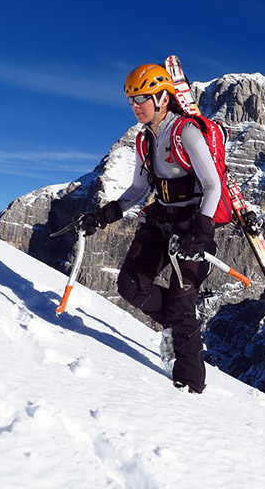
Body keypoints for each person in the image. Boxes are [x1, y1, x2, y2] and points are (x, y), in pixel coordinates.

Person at [79, 63, 220, 394]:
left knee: (183, 306)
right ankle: (177, 320)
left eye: (142, 98)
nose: (135, 106)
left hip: (191, 225)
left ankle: (190, 389)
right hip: (160, 220)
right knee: (131, 285)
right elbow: (138, 190)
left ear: (163, 99)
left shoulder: (186, 132)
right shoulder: (144, 140)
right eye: (131, 100)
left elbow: (213, 184)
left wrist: (201, 229)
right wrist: (105, 215)